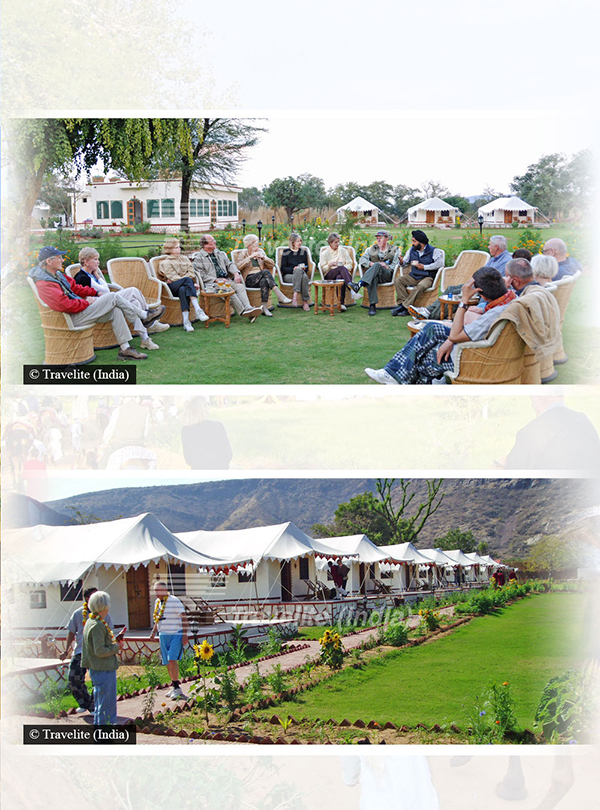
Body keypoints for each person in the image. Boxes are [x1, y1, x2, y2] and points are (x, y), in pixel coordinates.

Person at [364, 267, 516, 385]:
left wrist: (464, 300)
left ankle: (400, 379)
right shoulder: (509, 299)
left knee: (428, 357)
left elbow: (456, 335)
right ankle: (392, 374)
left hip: (474, 356)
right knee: (431, 328)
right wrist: (450, 341)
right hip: (479, 344)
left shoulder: (492, 315)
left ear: (480, 294)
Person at [29, 247, 162, 360]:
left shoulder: (57, 275)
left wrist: (96, 293)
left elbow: (76, 288)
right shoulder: (44, 283)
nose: (62, 260)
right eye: (59, 257)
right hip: (71, 318)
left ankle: (125, 349)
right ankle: (145, 315)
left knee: (115, 310)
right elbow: (65, 305)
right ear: (49, 261)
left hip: (79, 310)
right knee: (112, 297)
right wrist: (86, 302)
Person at [74, 247, 166, 350]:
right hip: (100, 305)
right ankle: (149, 320)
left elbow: (105, 289)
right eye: (95, 259)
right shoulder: (82, 277)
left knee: (135, 301)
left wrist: (96, 274)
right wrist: (97, 275)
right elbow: (106, 291)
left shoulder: (91, 274)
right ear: (86, 262)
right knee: (132, 291)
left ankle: (145, 339)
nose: (98, 262)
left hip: (107, 300)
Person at [498, 396, 600, 471]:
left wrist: (501, 466)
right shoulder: (583, 420)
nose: (531, 405)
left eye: (532, 399)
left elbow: (513, 473)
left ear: (538, 400)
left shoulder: (529, 431)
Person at [192, 234, 262, 321]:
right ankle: (244, 311)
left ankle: (248, 307)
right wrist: (216, 279)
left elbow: (229, 264)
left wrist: (236, 273)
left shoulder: (219, 253)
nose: (215, 242)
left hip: (226, 280)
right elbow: (200, 274)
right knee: (230, 292)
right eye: (212, 241)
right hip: (213, 284)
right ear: (205, 245)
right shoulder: (199, 258)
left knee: (239, 287)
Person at [81, 590, 125, 725]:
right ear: (104, 606)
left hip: (98, 668)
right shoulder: (97, 625)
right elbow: (99, 651)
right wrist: (116, 647)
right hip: (103, 668)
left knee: (102, 703)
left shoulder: (92, 621)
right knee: (106, 705)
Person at [60, 587, 105, 713]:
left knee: (98, 680)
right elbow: (71, 632)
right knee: (73, 679)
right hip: (80, 651)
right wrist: (66, 650)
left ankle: (94, 706)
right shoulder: (78, 613)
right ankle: (85, 703)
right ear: (87, 599)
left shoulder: (103, 612)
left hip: (97, 652)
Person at [156, 238, 210, 332]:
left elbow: (192, 272)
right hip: (172, 288)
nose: (179, 249)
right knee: (187, 280)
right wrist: (190, 282)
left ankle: (186, 322)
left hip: (181, 286)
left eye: (179, 247)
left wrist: (186, 280)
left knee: (183, 289)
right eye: (176, 247)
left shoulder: (184, 258)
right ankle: (198, 309)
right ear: (170, 250)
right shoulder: (165, 263)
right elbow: (173, 277)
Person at [233, 234, 291, 316]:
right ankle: (280, 296)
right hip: (249, 279)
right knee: (266, 272)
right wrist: (249, 257)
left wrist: (264, 258)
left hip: (260, 277)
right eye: (255, 244)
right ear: (249, 245)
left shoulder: (260, 252)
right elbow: (237, 267)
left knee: (264, 281)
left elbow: (272, 264)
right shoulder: (243, 253)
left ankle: (265, 308)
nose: (257, 246)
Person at [390, 230, 444, 316]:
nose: (412, 243)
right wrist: (401, 262)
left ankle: (404, 307)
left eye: (414, 241)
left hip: (427, 277)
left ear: (421, 242)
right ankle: (403, 305)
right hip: (413, 276)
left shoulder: (434, 251)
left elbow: (440, 264)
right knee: (398, 280)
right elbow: (405, 263)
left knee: (420, 286)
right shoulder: (411, 250)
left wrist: (425, 267)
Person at [150, 581, 189, 699]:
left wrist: (185, 635)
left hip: (175, 633)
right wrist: (153, 632)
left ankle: (177, 687)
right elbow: (158, 619)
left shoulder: (174, 601)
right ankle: (173, 686)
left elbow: (184, 617)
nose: (156, 593)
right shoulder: (157, 602)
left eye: (158, 590)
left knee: (172, 659)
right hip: (163, 634)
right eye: (155, 590)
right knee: (167, 661)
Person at [350, 230, 400, 315]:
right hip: (373, 275)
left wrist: (385, 266)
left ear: (387, 239)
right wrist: (370, 263)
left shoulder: (395, 250)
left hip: (387, 275)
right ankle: (372, 306)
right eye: (377, 238)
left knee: (377, 265)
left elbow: (395, 265)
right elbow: (362, 260)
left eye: (380, 238)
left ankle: (359, 284)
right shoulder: (371, 249)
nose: (378, 240)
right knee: (373, 277)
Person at [181, 396, 233, 469]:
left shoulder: (186, 431)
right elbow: (228, 454)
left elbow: (189, 459)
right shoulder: (217, 426)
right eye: (208, 404)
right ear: (203, 408)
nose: (209, 406)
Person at [320, 232, 355, 311]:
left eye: (338, 241)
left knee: (340, 277)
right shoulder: (325, 253)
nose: (338, 244)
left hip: (342, 274)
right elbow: (323, 269)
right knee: (340, 268)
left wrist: (343, 267)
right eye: (336, 242)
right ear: (330, 243)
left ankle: (341, 304)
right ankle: (352, 290)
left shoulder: (343, 251)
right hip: (329, 274)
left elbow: (350, 264)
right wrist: (329, 265)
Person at [279, 233, 312, 311]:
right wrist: (293, 269)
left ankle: (295, 295)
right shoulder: (286, 252)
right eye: (297, 241)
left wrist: (303, 269)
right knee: (301, 274)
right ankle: (305, 302)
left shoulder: (303, 252)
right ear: (292, 242)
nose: (300, 243)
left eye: (300, 241)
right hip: (289, 276)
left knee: (303, 275)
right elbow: (283, 268)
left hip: (301, 274)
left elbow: (306, 268)